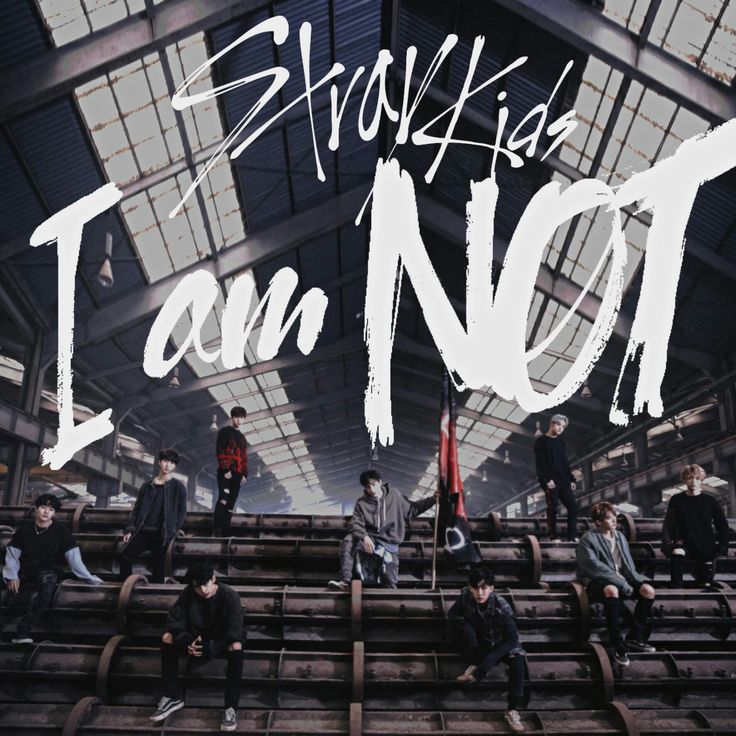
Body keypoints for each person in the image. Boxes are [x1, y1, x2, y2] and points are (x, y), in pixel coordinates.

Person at [150, 562, 244, 731]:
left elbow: (235, 631)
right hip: (195, 640)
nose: (202, 590)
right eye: (197, 587)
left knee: (236, 645)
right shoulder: (188, 594)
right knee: (168, 637)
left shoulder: (229, 596)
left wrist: (213, 647)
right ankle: (172, 697)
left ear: (213, 579)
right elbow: (174, 622)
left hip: (219, 641)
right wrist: (186, 641)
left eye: (205, 584)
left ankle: (230, 708)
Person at [2, 493, 102, 643]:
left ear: (54, 513)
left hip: (48, 570)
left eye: (51, 509)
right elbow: (12, 555)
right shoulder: (25, 530)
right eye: (43, 507)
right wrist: (12, 575)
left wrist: (90, 578)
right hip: (25, 568)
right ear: (36, 509)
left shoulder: (61, 532)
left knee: (46, 590)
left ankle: (22, 632)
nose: (46, 511)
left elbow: (74, 559)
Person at [576, 502, 656, 667]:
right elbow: (594, 567)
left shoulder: (619, 536)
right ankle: (617, 644)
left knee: (648, 591)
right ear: (598, 522)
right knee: (612, 590)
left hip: (621, 577)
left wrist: (637, 581)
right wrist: (622, 584)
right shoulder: (588, 539)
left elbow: (627, 563)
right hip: (595, 579)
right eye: (610, 519)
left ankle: (635, 637)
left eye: (615, 518)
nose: (614, 522)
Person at [328, 469, 437, 590]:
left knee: (390, 580)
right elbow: (355, 523)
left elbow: (413, 509)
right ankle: (346, 581)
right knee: (348, 541)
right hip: (370, 538)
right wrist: (364, 536)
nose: (372, 490)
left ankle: (390, 596)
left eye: (373, 485)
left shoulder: (395, 495)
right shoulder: (361, 503)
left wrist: (433, 499)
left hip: (389, 540)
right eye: (368, 487)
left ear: (380, 482)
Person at [449, 565, 526, 733]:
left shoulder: (501, 606)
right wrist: (466, 627)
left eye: (484, 588)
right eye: (475, 588)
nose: (480, 593)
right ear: (470, 587)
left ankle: (512, 710)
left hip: (504, 644)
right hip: (484, 640)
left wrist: (488, 663)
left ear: (491, 588)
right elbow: (453, 614)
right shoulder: (465, 596)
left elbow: (513, 639)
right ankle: (474, 665)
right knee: (465, 633)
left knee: (518, 661)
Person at [120, 448, 187, 583]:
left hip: (161, 534)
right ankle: (126, 587)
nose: (168, 465)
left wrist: (173, 530)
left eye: (172, 463)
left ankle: (155, 596)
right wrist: (129, 529)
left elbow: (181, 512)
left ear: (175, 466)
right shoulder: (147, 486)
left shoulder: (178, 487)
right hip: (142, 531)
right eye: (165, 461)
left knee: (158, 566)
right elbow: (137, 509)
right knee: (125, 557)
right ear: (159, 462)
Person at [662, 464, 729, 588]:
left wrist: (722, 547)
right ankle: (676, 588)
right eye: (689, 478)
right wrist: (667, 545)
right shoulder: (677, 499)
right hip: (684, 543)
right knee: (677, 552)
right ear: (684, 480)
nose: (693, 482)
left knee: (704, 584)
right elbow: (668, 524)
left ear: (701, 480)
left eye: (697, 478)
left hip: (706, 545)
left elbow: (722, 525)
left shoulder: (710, 501)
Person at [534, 414, 579, 542]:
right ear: (552, 423)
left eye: (563, 427)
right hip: (551, 482)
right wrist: (547, 480)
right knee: (553, 509)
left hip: (564, 480)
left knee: (573, 508)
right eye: (559, 425)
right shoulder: (541, 441)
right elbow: (540, 464)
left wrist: (571, 479)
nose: (560, 429)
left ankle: (572, 536)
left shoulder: (560, 442)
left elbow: (565, 462)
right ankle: (553, 537)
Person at [214, 407, 248, 536]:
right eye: (236, 417)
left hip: (238, 475)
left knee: (231, 502)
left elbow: (244, 457)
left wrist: (245, 474)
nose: (238, 420)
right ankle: (217, 528)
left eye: (241, 418)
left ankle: (225, 530)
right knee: (223, 498)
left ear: (244, 420)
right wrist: (225, 469)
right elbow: (220, 450)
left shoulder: (243, 438)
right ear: (232, 418)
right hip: (225, 472)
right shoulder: (224, 432)